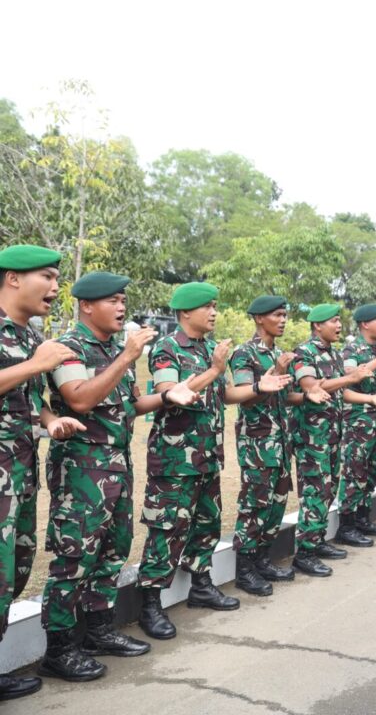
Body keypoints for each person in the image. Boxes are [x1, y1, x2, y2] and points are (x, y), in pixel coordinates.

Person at [39, 272, 202, 681]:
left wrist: (166, 396)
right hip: (80, 466)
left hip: (116, 462)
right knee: (74, 556)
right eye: (112, 300)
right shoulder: (68, 348)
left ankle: (98, 630)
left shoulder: (114, 347)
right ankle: (59, 648)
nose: (122, 307)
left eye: (123, 300)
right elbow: (79, 399)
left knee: (113, 549)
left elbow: (127, 405)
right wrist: (128, 357)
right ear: (87, 305)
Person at [0, 245, 87, 698]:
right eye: (47, 277)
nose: (56, 287)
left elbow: (34, 402)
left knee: (14, 570)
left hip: (20, 472)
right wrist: (38, 364)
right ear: (13, 278)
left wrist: (52, 421)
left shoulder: (32, 338)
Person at [136, 282, 243, 640]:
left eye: (215, 306)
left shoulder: (212, 348)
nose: (214, 312)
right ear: (185, 313)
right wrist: (213, 370)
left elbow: (224, 394)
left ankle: (200, 585)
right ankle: (150, 603)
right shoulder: (167, 348)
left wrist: (260, 387)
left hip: (208, 456)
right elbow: (170, 395)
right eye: (207, 307)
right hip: (174, 461)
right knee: (166, 530)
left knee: (207, 524)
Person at [289, 304, 370, 576]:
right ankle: (305, 553)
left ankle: (317, 539)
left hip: (332, 434)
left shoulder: (333, 354)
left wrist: (363, 393)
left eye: (339, 321)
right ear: (317, 325)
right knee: (315, 490)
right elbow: (311, 386)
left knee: (329, 488)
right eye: (334, 321)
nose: (339, 326)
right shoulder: (304, 353)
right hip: (312, 437)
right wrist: (349, 378)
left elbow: (338, 391)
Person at [227, 295, 299, 596]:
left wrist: (313, 393)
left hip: (280, 442)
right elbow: (244, 394)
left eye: (285, 315)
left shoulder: (279, 353)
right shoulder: (245, 354)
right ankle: (244, 570)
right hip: (258, 444)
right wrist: (273, 375)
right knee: (254, 506)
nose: (282, 320)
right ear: (259, 319)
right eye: (277, 315)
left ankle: (262, 560)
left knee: (275, 505)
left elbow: (285, 396)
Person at [338, 303, 376, 545]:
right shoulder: (352, 349)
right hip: (357, 423)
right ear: (365, 324)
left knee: (372, 470)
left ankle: (362, 518)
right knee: (355, 472)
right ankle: (346, 525)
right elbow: (352, 377)